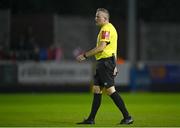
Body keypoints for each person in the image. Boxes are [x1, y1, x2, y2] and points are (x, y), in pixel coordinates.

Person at [76, 8, 133, 125]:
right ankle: (91, 119)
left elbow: (101, 47)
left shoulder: (106, 29)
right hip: (105, 62)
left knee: (111, 90)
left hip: (105, 63)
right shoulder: (109, 28)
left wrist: (85, 55)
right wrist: (115, 65)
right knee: (97, 90)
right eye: (96, 16)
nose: (95, 18)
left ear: (105, 19)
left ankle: (127, 117)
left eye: (98, 16)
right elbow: (113, 49)